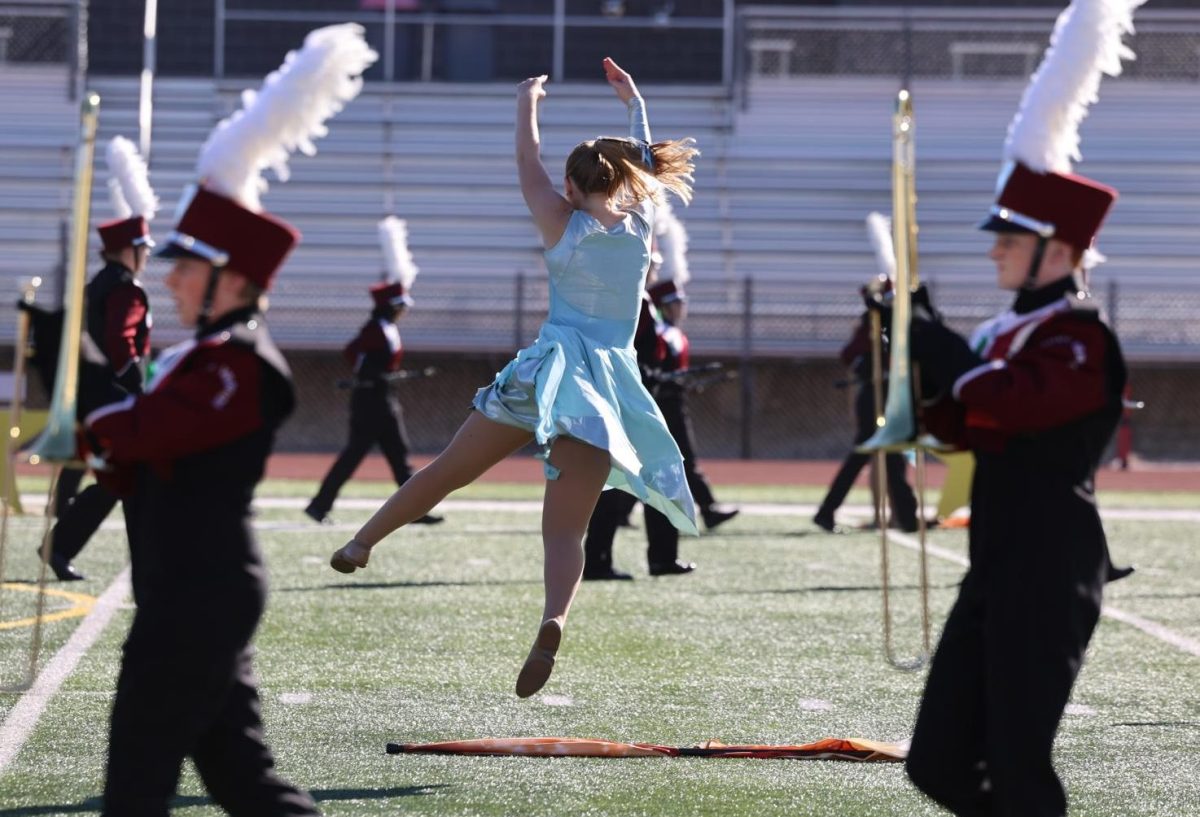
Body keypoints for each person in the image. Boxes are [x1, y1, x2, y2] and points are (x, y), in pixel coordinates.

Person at [329, 57, 700, 698]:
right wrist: (633, 101)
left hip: (546, 373)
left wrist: (528, 101)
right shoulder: (640, 228)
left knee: (447, 469)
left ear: (571, 182)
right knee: (565, 528)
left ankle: (364, 542)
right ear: (624, 180)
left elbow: (526, 160)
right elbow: (645, 169)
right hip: (604, 392)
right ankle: (554, 618)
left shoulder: (562, 221)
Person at [82, 22, 377, 816]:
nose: (172, 282)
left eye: (188, 270)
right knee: (243, 778)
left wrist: (86, 404)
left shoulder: (240, 364)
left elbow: (143, 432)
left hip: (200, 586)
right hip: (190, 582)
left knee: (137, 773)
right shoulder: (203, 355)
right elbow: (133, 450)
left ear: (234, 283)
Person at [903, 3, 1138, 813]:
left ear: (1062, 249)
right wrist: (912, 364)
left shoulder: (1077, 337)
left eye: (1011, 237)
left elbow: (1019, 406)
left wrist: (954, 360)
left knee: (1018, 768)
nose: (995, 247)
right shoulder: (1011, 333)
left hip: (1051, 566)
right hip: (1000, 564)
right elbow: (967, 426)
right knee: (934, 761)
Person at [45, 136, 156, 581]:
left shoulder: (97, 283)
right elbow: (121, 339)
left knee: (119, 479)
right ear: (130, 249)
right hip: (116, 396)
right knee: (130, 477)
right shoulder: (127, 288)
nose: (146, 256)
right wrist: (137, 386)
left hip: (94, 392)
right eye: (144, 249)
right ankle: (148, 566)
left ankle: (60, 545)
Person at [307, 218, 442, 526]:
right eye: (400, 305)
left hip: (384, 399)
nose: (404, 309)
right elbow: (352, 352)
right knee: (356, 456)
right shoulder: (374, 328)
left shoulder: (388, 328)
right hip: (370, 402)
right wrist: (368, 375)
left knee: (399, 457)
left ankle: (413, 510)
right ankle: (318, 505)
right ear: (390, 306)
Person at [812, 282, 918, 534]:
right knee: (878, 454)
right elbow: (850, 354)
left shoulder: (901, 321)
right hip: (875, 397)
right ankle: (906, 517)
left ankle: (904, 516)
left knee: (890, 457)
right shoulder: (871, 322)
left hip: (893, 395)